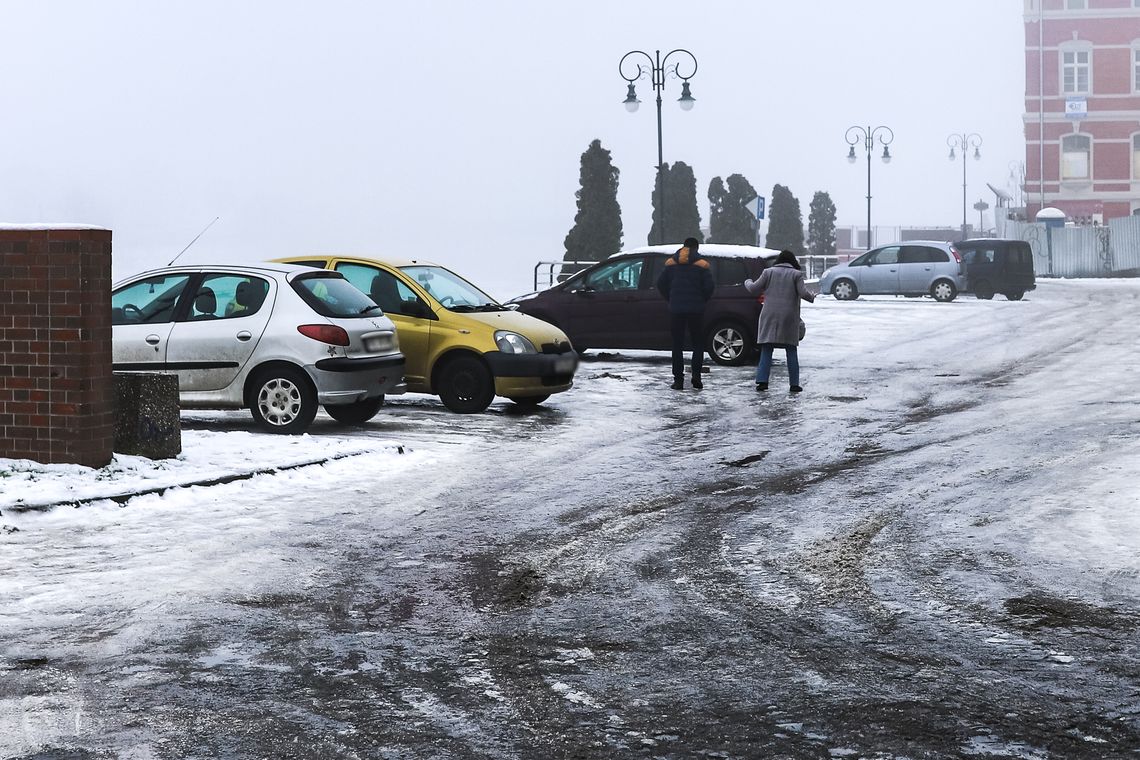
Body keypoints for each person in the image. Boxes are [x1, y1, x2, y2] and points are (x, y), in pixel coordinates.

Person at [744, 249, 815, 393]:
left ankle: (762, 382)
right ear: (792, 261)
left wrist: (747, 281)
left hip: (769, 315)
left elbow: (753, 288)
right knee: (791, 349)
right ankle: (794, 384)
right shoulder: (796, 274)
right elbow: (803, 293)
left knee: (767, 348)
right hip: (788, 316)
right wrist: (812, 296)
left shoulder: (768, 272)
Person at [656, 237, 715, 390]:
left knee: (677, 345)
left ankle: (678, 380)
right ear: (696, 248)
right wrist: (702, 300)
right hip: (696, 310)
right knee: (697, 344)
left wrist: (671, 299)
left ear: (683, 247)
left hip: (676, 310)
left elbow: (660, 284)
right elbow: (710, 287)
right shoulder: (702, 265)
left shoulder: (671, 264)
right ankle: (696, 376)